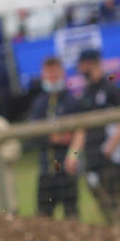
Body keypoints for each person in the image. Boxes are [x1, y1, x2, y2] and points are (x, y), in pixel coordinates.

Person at [69, 49, 120, 225]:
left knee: (114, 200)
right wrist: (73, 155)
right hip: (91, 156)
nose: (80, 69)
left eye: (82, 65)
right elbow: (82, 129)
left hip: (110, 156)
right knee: (102, 202)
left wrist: (110, 147)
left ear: (91, 63)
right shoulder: (86, 93)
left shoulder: (111, 89)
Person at [29, 56, 79, 219]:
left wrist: (73, 152)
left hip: (67, 169)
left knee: (71, 214)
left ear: (62, 73)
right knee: (43, 215)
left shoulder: (72, 101)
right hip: (46, 170)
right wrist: (52, 139)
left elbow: (80, 133)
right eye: (48, 73)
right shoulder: (39, 103)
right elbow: (31, 136)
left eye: (55, 73)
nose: (52, 77)